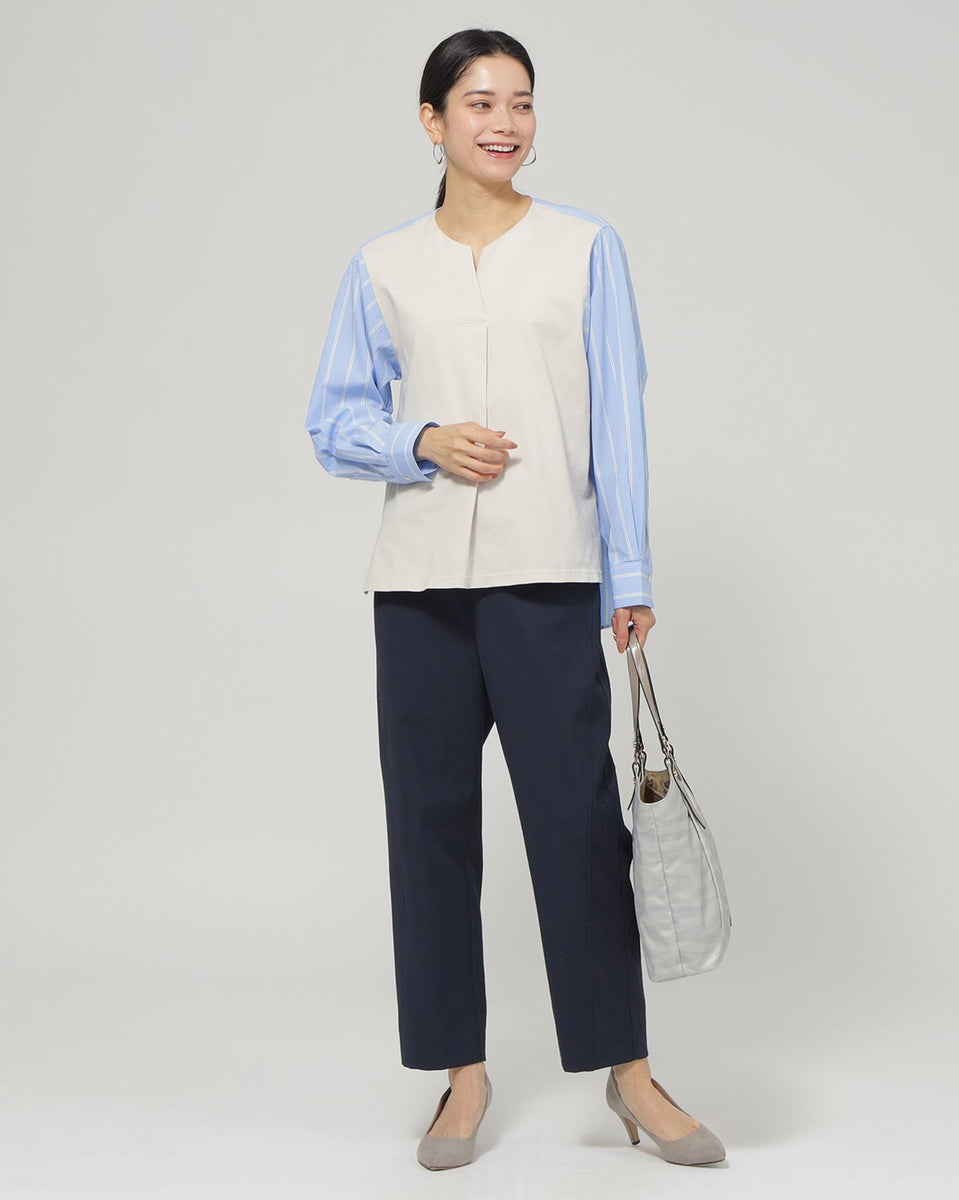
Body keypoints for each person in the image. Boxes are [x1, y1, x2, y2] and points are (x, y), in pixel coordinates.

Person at [304, 27, 725, 1172]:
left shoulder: (585, 248)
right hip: (420, 584)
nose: (504, 122)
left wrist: (628, 573)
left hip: (547, 575)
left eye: (522, 102)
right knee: (429, 828)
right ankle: (460, 1075)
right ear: (431, 120)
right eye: (480, 101)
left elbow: (618, 417)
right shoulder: (382, 266)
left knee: (578, 829)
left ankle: (627, 1073)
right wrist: (421, 440)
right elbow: (332, 421)